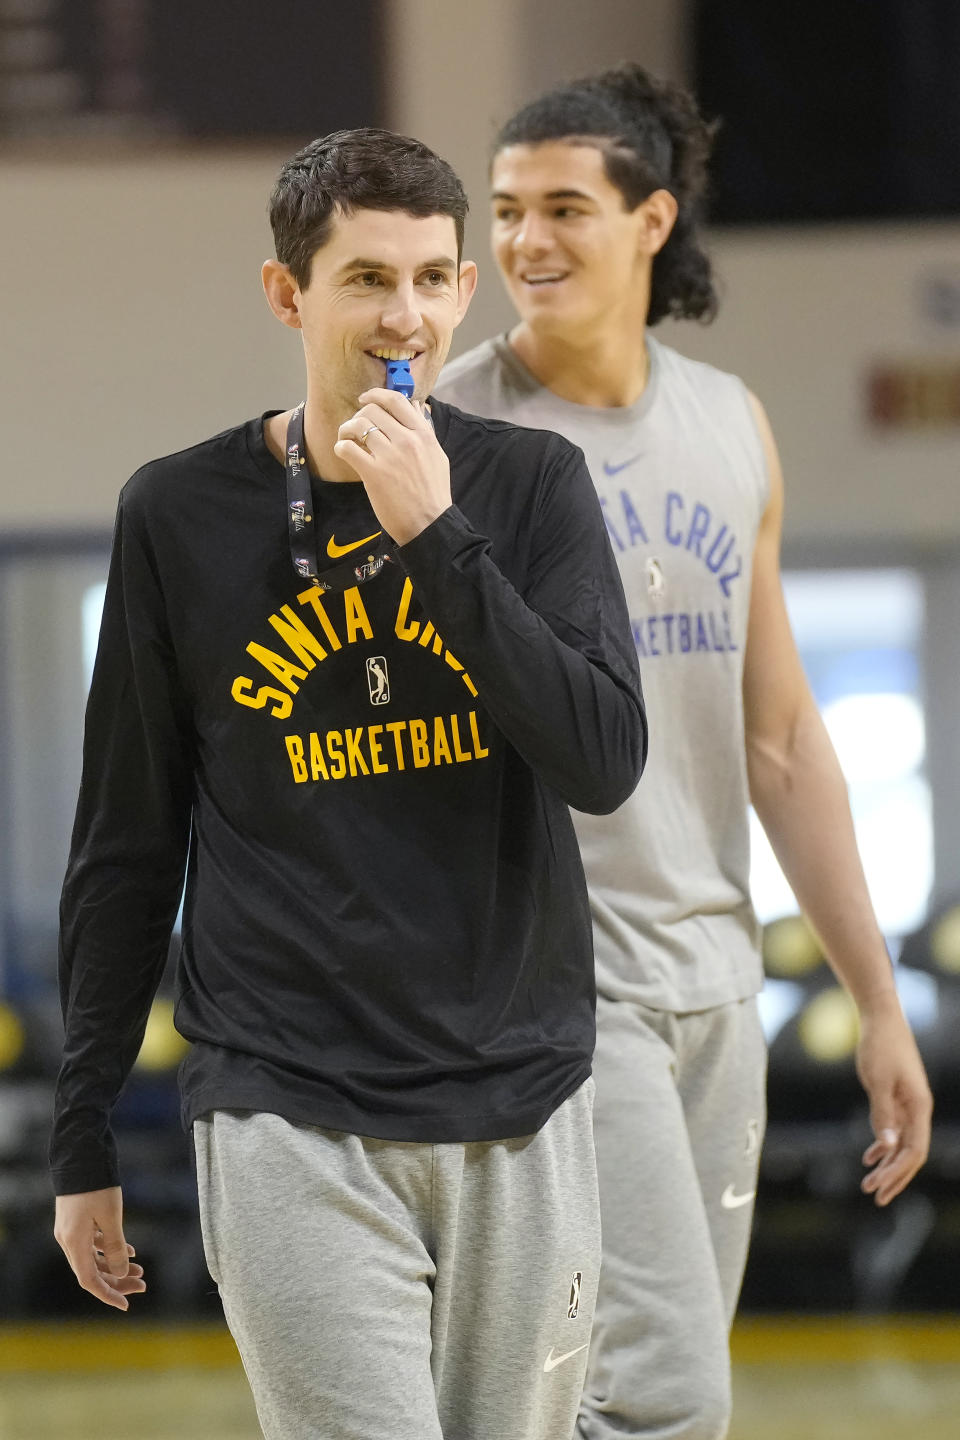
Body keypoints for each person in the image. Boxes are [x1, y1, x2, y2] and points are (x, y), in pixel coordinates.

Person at [50, 127, 648, 1440]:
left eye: (436, 280)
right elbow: (127, 843)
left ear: (467, 289)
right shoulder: (178, 514)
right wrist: (81, 1128)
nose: (407, 316)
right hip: (287, 1102)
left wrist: (440, 538)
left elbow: (603, 758)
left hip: (517, 1096)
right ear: (288, 294)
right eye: (370, 279)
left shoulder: (530, 489)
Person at [436, 65, 933, 1440]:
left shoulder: (732, 422)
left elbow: (780, 743)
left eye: (564, 209)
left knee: (612, 1387)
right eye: (506, 209)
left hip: (714, 982)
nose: (524, 242)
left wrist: (875, 1003)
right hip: (552, 987)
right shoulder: (454, 440)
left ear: (653, 220)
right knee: (665, 1397)